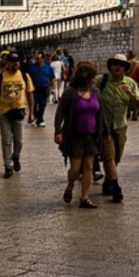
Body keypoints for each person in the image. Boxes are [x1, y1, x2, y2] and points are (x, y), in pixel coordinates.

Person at [54, 61, 106, 209]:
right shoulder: (71, 92)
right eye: (93, 76)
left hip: (92, 136)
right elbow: (60, 113)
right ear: (86, 77)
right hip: (75, 136)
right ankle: (70, 186)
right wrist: (58, 131)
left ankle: (84, 197)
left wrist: (105, 132)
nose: (95, 79)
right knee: (76, 169)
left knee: (89, 166)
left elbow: (101, 113)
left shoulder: (95, 91)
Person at [98, 54, 139, 203]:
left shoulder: (131, 83)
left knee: (116, 158)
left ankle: (108, 181)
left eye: (121, 65)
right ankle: (116, 187)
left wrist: (130, 94)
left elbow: (138, 106)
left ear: (125, 69)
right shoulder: (101, 81)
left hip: (121, 126)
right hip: (104, 127)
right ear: (110, 66)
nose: (118, 67)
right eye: (115, 64)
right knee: (109, 157)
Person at [0, 52, 33, 178]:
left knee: (19, 141)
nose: (16, 64)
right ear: (7, 63)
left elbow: (30, 94)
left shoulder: (24, 76)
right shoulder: (0, 77)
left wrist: (32, 113)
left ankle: (16, 156)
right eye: (13, 61)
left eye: (17, 61)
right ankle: (8, 166)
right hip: (4, 112)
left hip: (19, 111)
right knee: (6, 141)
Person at [26, 51, 54, 127]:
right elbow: (27, 77)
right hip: (34, 90)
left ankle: (40, 120)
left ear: (43, 59)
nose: (37, 60)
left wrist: (52, 88)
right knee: (34, 104)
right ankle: (35, 117)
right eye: (36, 58)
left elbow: (52, 78)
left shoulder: (48, 67)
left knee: (42, 105)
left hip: (44, 89)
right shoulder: (31, 67)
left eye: (39, 58)